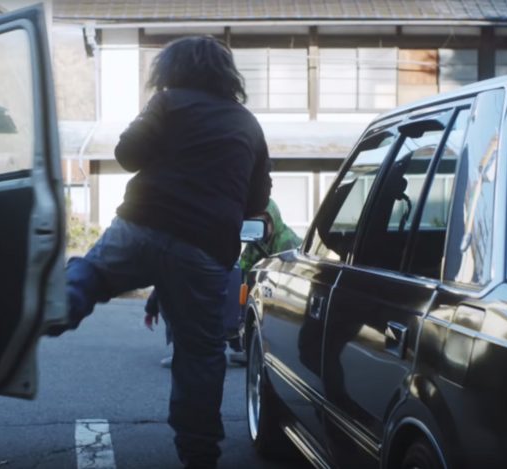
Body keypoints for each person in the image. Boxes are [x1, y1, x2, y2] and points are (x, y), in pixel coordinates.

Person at [48, 35, 271, 468]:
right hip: (204, 250)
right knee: (201, 354)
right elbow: (256, 200)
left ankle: (57, 307)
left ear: (170, 70)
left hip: (143, 225)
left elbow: (127, 154)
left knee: (92, 272)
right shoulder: (247, 124)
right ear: (226, 75)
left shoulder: (167, 103)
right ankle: (199, 455)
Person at [239, 198, 302, 276]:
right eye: (253, 220)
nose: (258, 227)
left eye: (262, 221)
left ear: (273, 219)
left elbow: (286, 274)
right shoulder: (258, 238)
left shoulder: (287, 242)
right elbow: (246, 264)